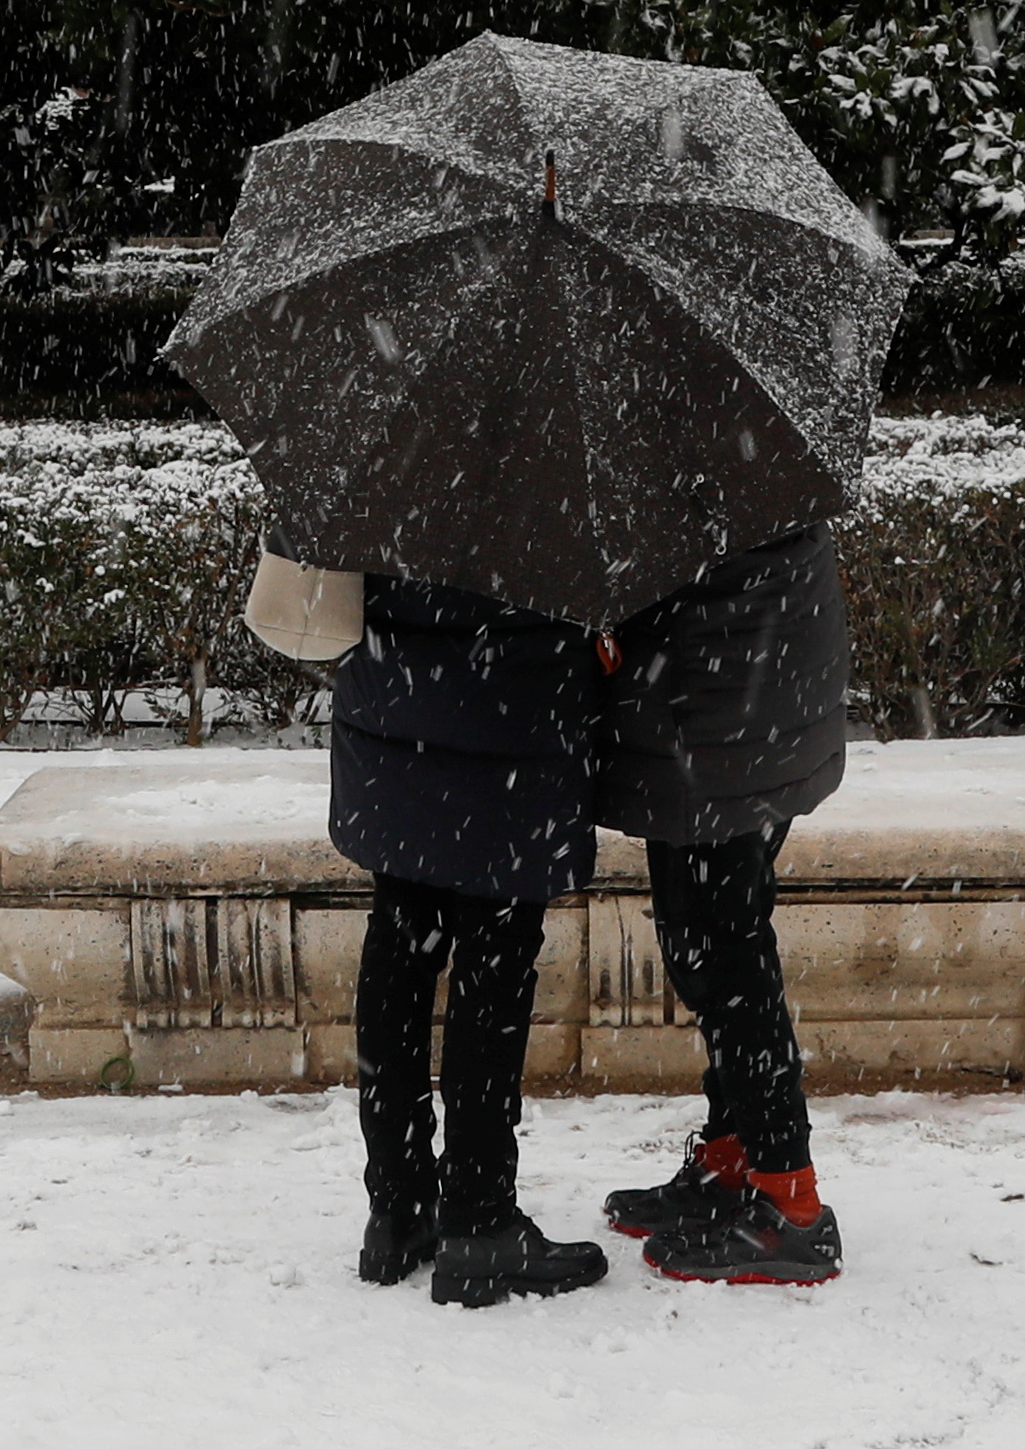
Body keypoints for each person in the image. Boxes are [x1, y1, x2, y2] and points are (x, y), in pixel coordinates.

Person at [247, 550, 611, 1306]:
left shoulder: (395, 438)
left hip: (393, 707)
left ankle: (398, 1210)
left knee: (400, 947)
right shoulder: (551, 445)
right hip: (513, 713)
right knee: (496, 965)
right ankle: (478, 1220)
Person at [589, 520, 851, 1287]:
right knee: (707, 935)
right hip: (742, 707)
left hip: (723, 715)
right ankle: (735, 1153)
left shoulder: (700, 443)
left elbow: (684, 580)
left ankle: (788, 1199)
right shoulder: (758, 445)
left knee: (723, 947)